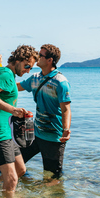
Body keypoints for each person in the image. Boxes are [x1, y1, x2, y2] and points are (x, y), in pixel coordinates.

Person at [0, 45, 38, 198]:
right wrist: (12, 109)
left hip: (7, 132)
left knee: (20, 170)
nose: (28, 70)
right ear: (19, 60)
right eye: (27, 66)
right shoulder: (6, 74)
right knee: (12, 179)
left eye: (31, 68)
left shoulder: (3, 72)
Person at [18, 44, 72, 180]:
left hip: (54, 137)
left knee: (52, 176)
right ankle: (28, 187)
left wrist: (66, 129)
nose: (37, 57)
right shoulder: (35, 77)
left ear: (50, 60)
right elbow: (17, 87)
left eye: (41, 55)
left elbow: (66, 109)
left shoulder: (61, 82)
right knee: (16, 161)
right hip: (36, 133)